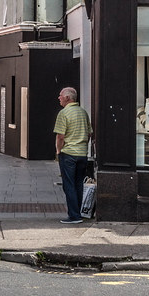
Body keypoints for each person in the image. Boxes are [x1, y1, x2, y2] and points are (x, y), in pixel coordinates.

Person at [54, 87, 92, 224]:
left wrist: (59, 151)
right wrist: (83, 146)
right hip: (82, 154)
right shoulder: (83, 113)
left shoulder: (63, 114)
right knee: (78, 184)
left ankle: (74, 215)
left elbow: (60, 136)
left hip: (68, 153)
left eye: (60, 95)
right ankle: (78, 213)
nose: (59, 97)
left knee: (68, 184)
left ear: (68, 98)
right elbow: (89, 133)